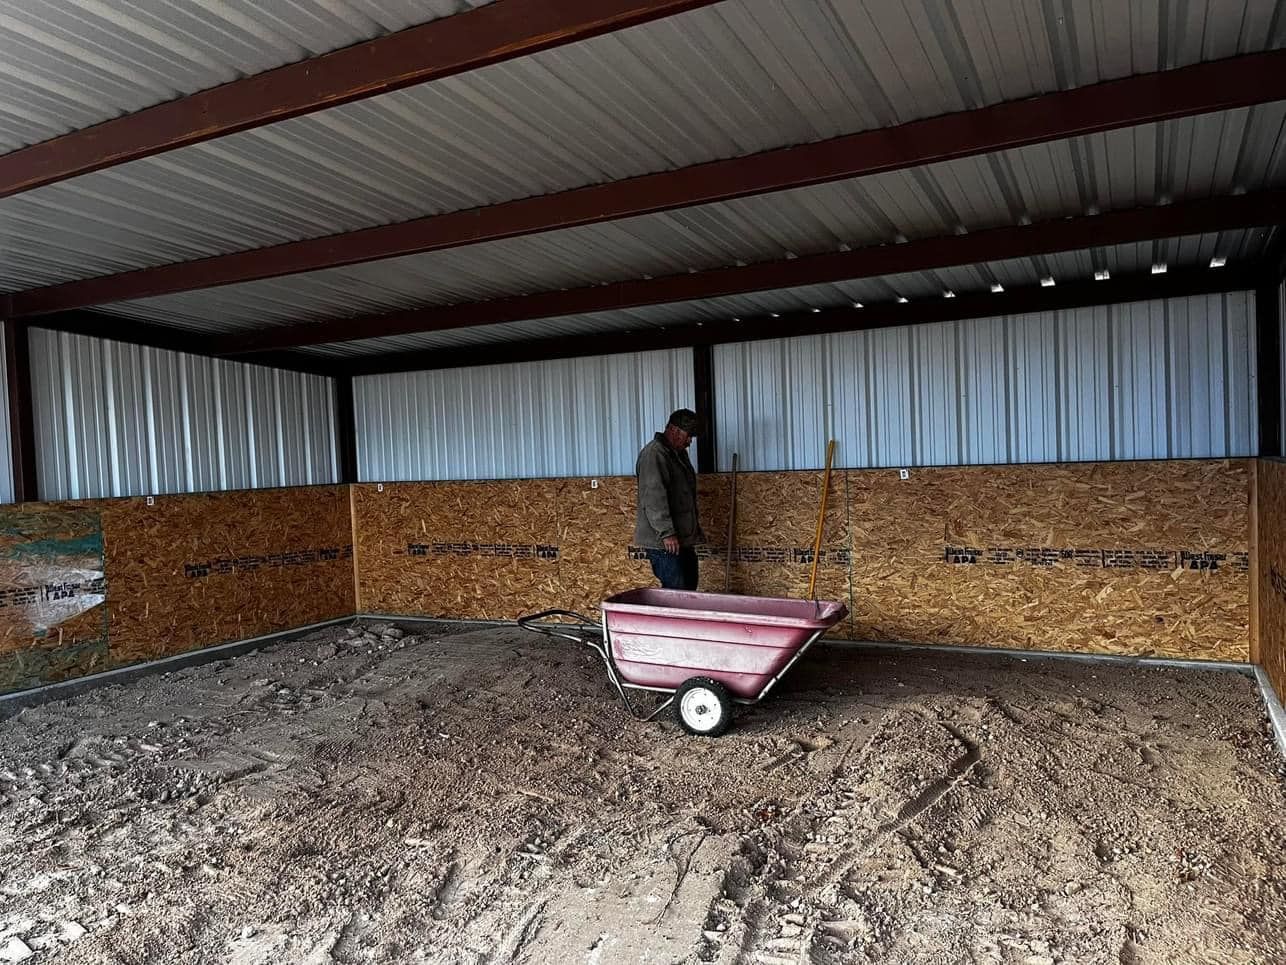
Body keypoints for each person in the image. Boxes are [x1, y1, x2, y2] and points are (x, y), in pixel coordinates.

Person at [634, 408, 703, 591]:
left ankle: (686, 620)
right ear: (673, 430)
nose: (690, 442)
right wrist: (667, 533)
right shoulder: (655, 454)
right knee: (676, 592)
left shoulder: (678, 454)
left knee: (688, 589)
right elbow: (654, 498)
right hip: (665, 542)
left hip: (680, 539)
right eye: (688, 436)